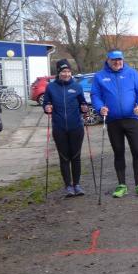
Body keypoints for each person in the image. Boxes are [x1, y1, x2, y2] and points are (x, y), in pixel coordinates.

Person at [90, 50, 138, 198]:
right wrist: (100, 107)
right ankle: (122, 185)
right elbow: (95, 95)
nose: (117, 62)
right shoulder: (100, 76)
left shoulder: (132, 73)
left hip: (132, 118)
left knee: (137, 151)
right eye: (114, 60)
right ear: (108, 60)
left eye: (119, 59)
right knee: (118, 152)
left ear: (123, 60)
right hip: (113, 120)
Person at [43, 60, 90, 196]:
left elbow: (82, 103)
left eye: (69, 71)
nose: (67, 74)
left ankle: (77, 185)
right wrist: (47, 108)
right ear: (59, 72)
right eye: (64, 71)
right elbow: (46, 103)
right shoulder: (51, 87)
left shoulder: (77, 86)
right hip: (59, 127)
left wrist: (84, 108)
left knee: (76, 156)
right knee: (64, 157)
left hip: (76, 127)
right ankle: (68, 186)